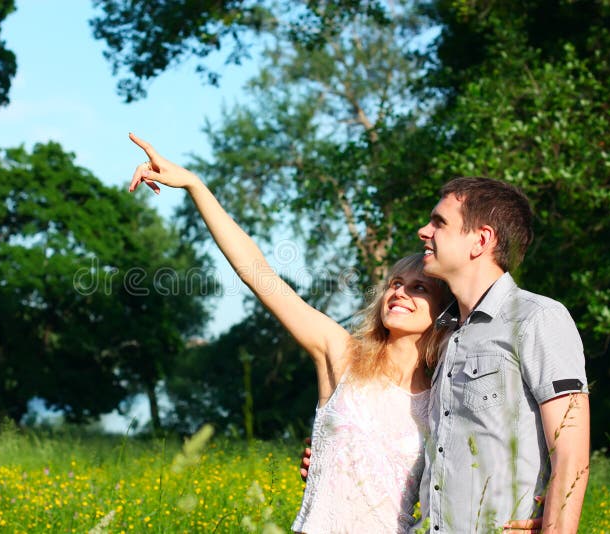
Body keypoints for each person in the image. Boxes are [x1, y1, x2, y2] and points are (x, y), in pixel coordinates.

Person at [127, 133, 452, 533]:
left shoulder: (447, 396)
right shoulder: (342, 354)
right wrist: (196, 185)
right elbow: (259, 275)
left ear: (443, 311)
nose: (400, 291)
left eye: (419, 287)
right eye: (395, 283)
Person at [414, 177, 590, 533]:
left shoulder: (538, 318)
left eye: (439, 222)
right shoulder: (442, 333)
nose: (423, 231)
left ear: (481, 240)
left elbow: (571, 457)